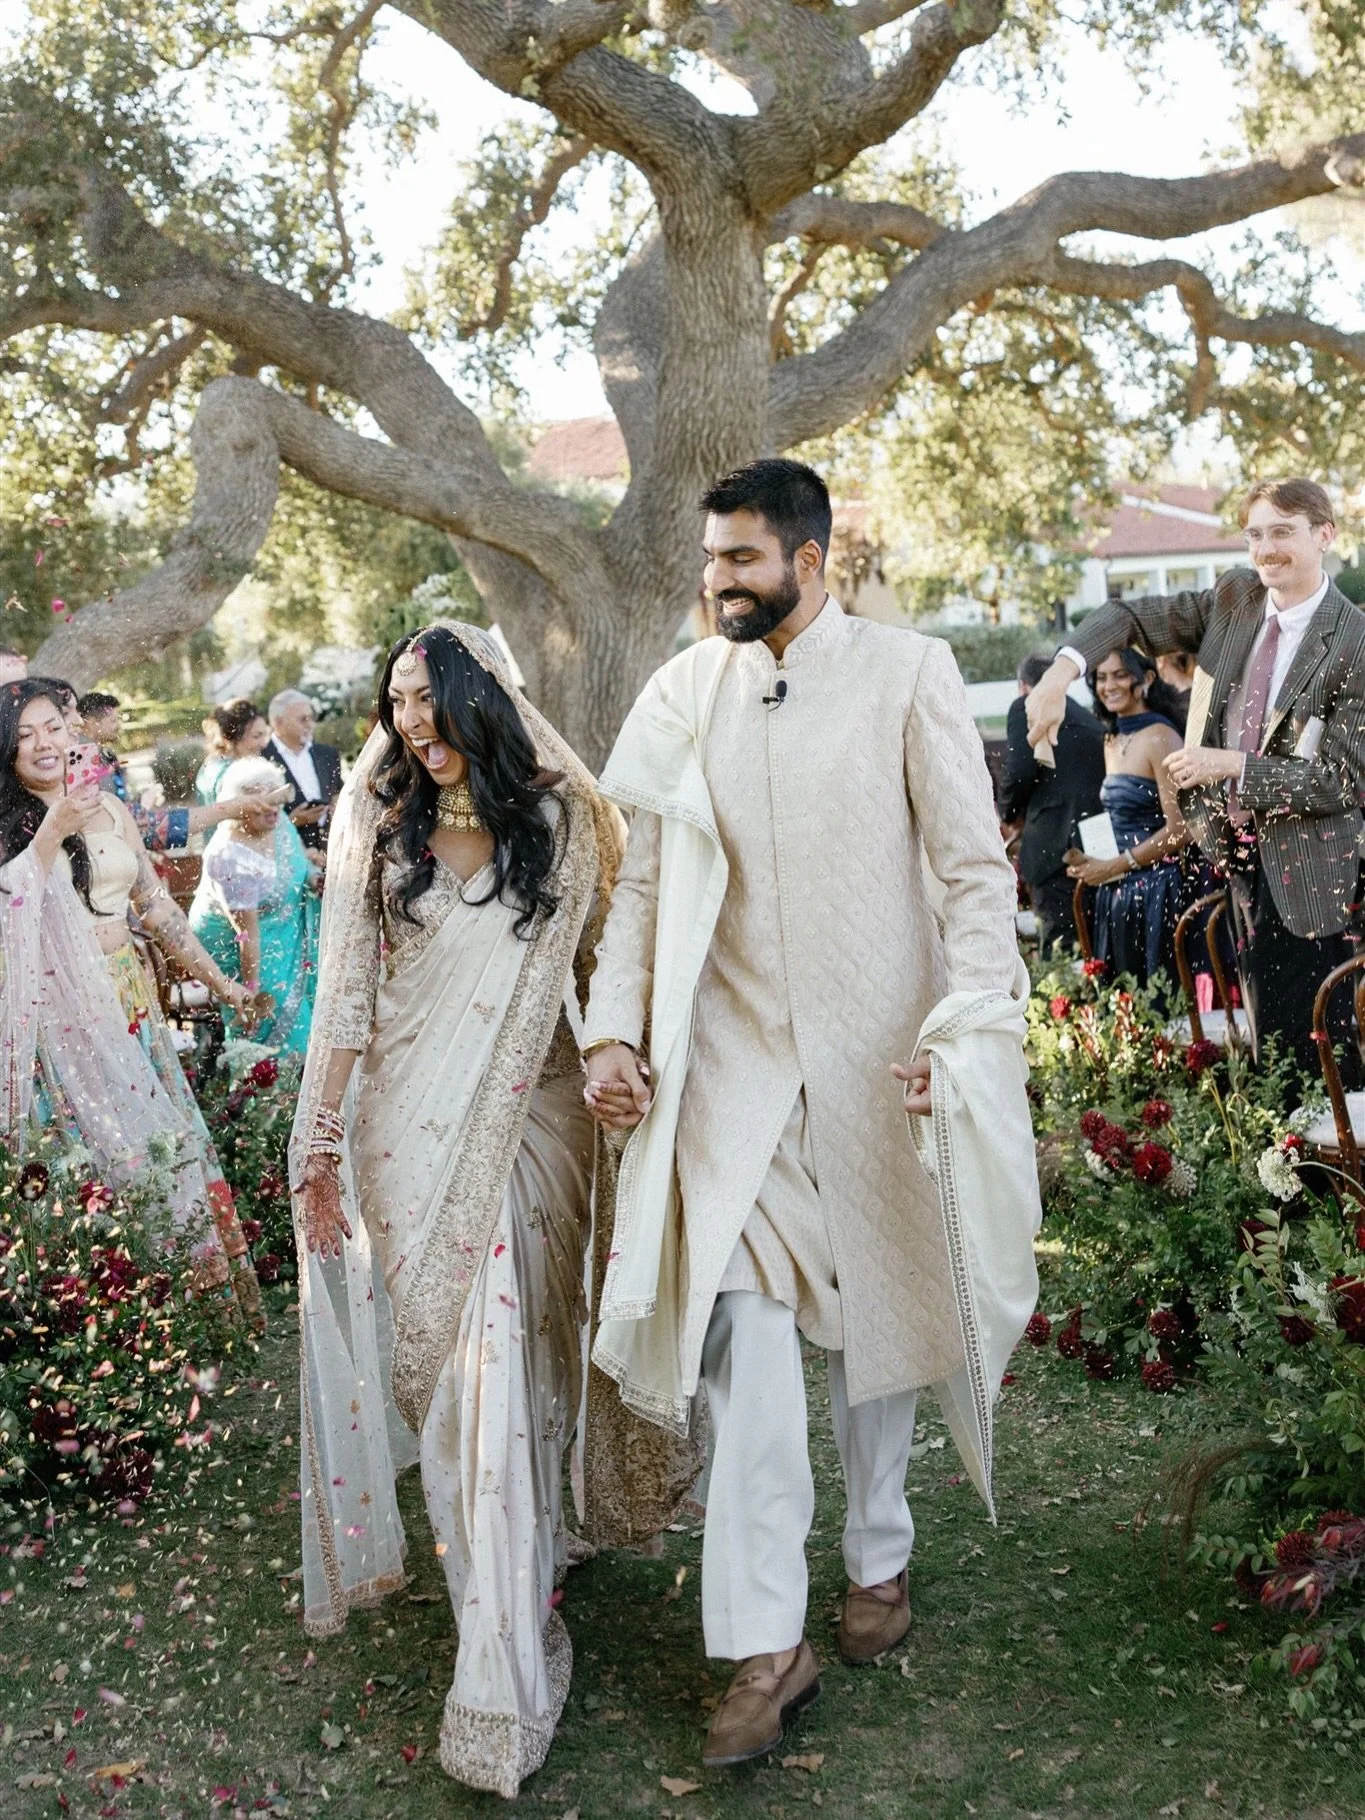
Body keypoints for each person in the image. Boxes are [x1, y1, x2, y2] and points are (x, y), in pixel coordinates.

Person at [581, 460, 1040, 1769]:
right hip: (727, 1090)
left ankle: (880, 1552)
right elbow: (646, 888)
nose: (719, 581)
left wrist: (968, 1026)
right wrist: (613, 1029)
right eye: (711, 561)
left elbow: (966, 871)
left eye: (743, 561)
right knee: (747, 1346)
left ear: (811, 559)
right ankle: (766, 1647)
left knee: (882, 1337)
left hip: (877, 1063)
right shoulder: (680, 693)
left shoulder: (907, 674)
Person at [288, 623, 698, 1799]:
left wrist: (625, 1055)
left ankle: (501, 1659)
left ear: (484, 697)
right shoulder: (376, 821)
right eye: (397, 701)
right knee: (459, 1381)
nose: (412, 720)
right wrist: (317, 1136)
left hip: (536, 1124)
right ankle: (505, 1563)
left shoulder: (565, 824)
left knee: (507, 1357)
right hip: (407, 1125)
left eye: (431, 696)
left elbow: (611, 961)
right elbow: (345, 995)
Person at [1027, 477, 1365, 1083]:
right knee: (1266, 1055)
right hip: (1234, 862)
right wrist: (1060, 673)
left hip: (1313, 873)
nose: (1265, 549)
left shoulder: (1355, 640)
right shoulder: (1234, 599)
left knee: (1323, 1059)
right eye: (1255, 534)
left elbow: (1338, 780)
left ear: (1325, 535)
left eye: (1282, 532)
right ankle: (1279, 1167)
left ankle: (1331, 1175)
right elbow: (1125, 614)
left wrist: (1229, 764)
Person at [0, 680, 267, 1324]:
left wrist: (226, 984)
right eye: (25, 734)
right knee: (91, 1154)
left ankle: (194, 1309)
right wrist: (50, 832)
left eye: (54, 727)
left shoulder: (112, 811)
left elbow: (160, 911)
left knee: (159, 1144)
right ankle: (110, 1317)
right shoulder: (10, 825)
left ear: (73, 733)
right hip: (58, 1017)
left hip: (127, 1000)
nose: (45, 743)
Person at [1061, 649, 1201, 994]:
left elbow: (1182, 829)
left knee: (1159, 1004)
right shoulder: (1112, 737)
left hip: (1158, 891)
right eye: (1102, 677)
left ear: (1147, 679)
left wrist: (1117, 865)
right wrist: (1093, 862)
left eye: (1120, 675)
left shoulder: (1161, 737)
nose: (1108, 685)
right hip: (1118, 888)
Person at [189, 757, 320, 1056]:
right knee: (282, 1039)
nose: (272, 807)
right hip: (252, 955)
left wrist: (314, 879)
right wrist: (251, 994)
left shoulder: (280, 822)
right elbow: (246, 936)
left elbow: (298, 862)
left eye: (275, 795)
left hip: (289, 943)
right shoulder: (230, 857)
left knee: (314, 1024)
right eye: (261, 799)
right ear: (239, 805)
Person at [78, 690, 280, 853]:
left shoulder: (105, 756)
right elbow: (112, 816)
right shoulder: (84, 759)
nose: (118, 726)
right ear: (91, 722)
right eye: (112, 721)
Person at [998, 653, 1105, 952]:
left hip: (1052, 846)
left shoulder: (1024, 706)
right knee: (1093, 946)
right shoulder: (1087, 717)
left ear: (1023, 685)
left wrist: (1007, 813)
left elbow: (1019, 771)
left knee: (1060, 949)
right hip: (1097, 844)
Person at [263, 689, 343, 853]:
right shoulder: (261, 759)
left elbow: (337, 791)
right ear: (278, 723)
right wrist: (292, 821)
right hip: (286, 853)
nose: (310, 725)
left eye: (311, 718)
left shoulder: (327, 754)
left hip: (329, 850)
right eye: (303, 719)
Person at [196, 699, 271, 803]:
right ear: (231, 738)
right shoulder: (235, 774)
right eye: (256, 736)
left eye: (265, 734)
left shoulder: (210, 765)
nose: (264, 744)